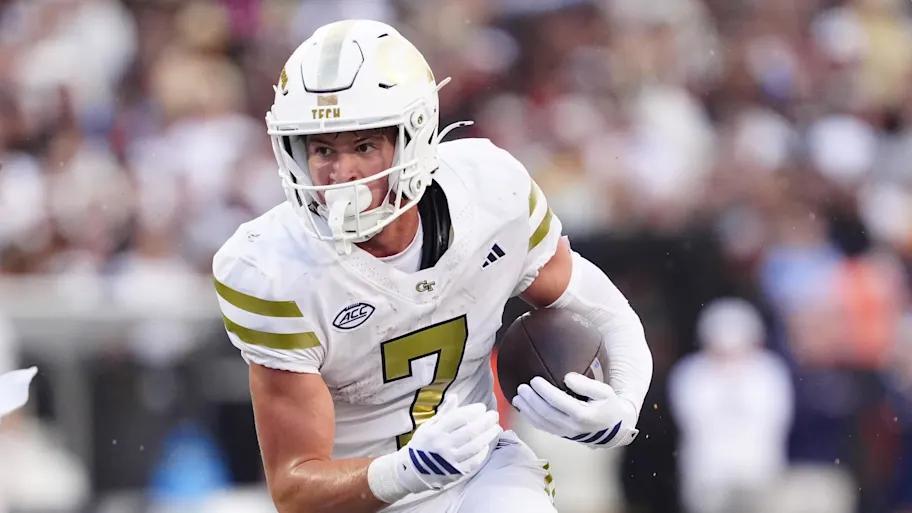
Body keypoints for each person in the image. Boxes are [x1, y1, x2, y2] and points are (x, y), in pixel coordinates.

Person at [212, 19, 652, 513]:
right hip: (359, 496)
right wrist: (407, 470)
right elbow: (294, 489)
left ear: (414, 137)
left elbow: (607, 313)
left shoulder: (491, 192)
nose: (341, 174)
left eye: (363, 146)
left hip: (477, 473)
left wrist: (623, 407)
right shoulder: (271, 268)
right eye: (322, 149)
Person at [668, 298, 793, 513]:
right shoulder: (691, 372)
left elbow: (773, 419)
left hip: (758, 473)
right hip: (708, 476)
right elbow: (695, 421)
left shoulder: (769, 371)